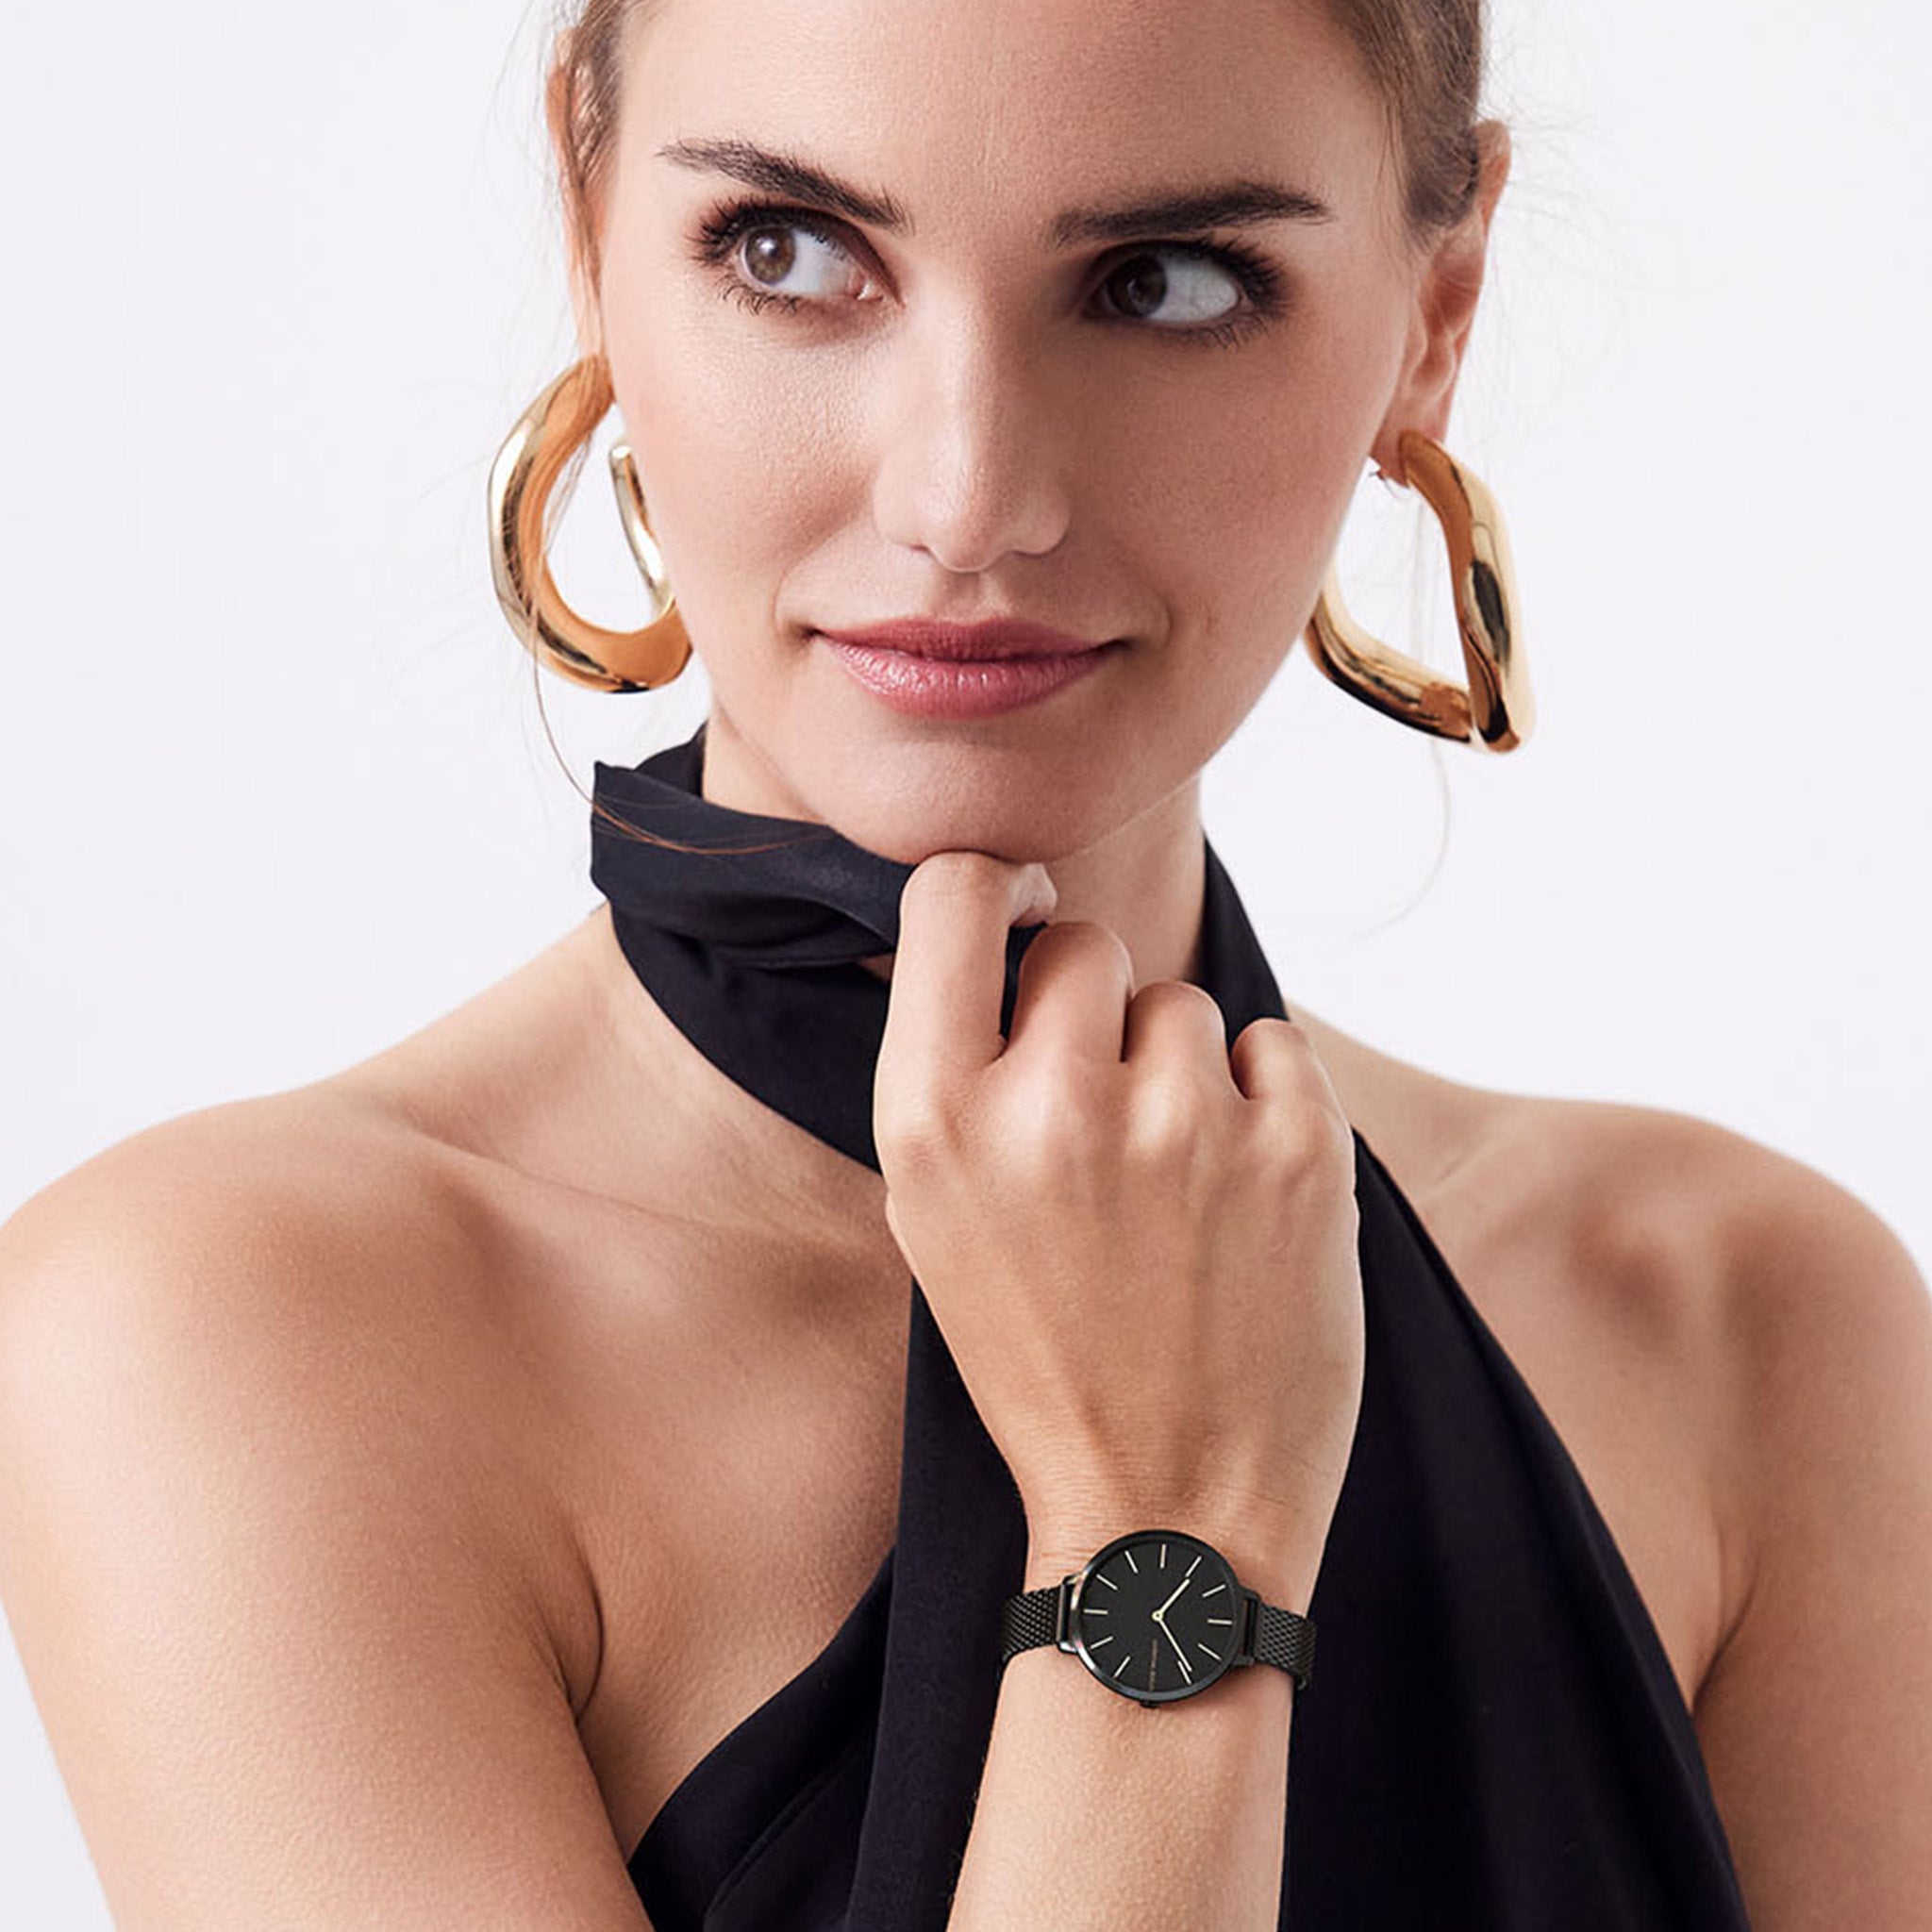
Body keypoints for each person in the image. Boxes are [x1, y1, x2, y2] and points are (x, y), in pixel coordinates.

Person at [1, 0, 1927, 1926]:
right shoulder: (233, 1333)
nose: (968, 500)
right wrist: (1165, 1518)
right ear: (590, 235)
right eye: (788, 251)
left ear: (1437, 311)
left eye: (1166, 281)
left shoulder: (1740, 1322)